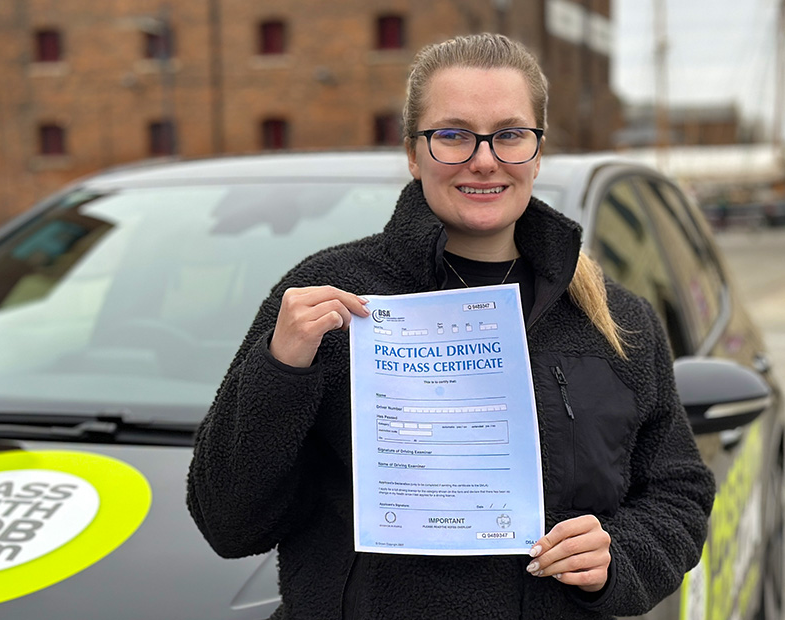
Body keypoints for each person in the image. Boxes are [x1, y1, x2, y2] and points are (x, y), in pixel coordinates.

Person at [187, 33, 715, 619]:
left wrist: (617, 555)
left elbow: (679, 494)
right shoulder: (329, 298)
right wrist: (280, 370)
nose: (484, 160)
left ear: (537, 153)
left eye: (509, 135)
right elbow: (227, 523)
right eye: (453, 135)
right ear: (414, 154)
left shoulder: (616, 320)